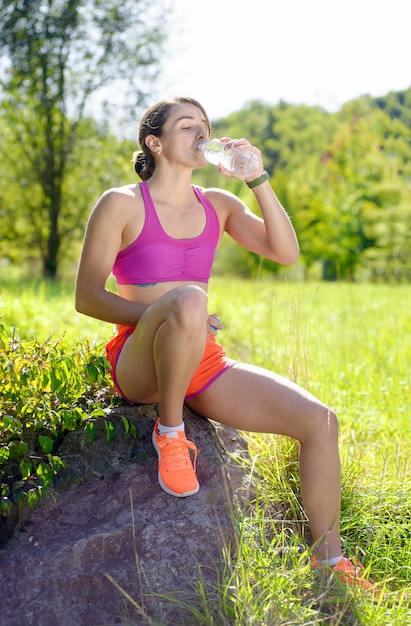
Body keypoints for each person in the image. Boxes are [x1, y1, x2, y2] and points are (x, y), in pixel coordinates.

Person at [75, 96, 374, 590]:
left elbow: (285, 252)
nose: (201, 133)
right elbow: (87, 298)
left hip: (203, 360)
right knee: (189, 298)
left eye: (205, 126)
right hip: (139, 358)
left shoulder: (218, 203)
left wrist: (257, 180)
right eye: (187, 126)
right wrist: (172, 312)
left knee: (321, 422)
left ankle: (329, 563)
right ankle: (170, 434)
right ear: (155, 141)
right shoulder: (122, 202)